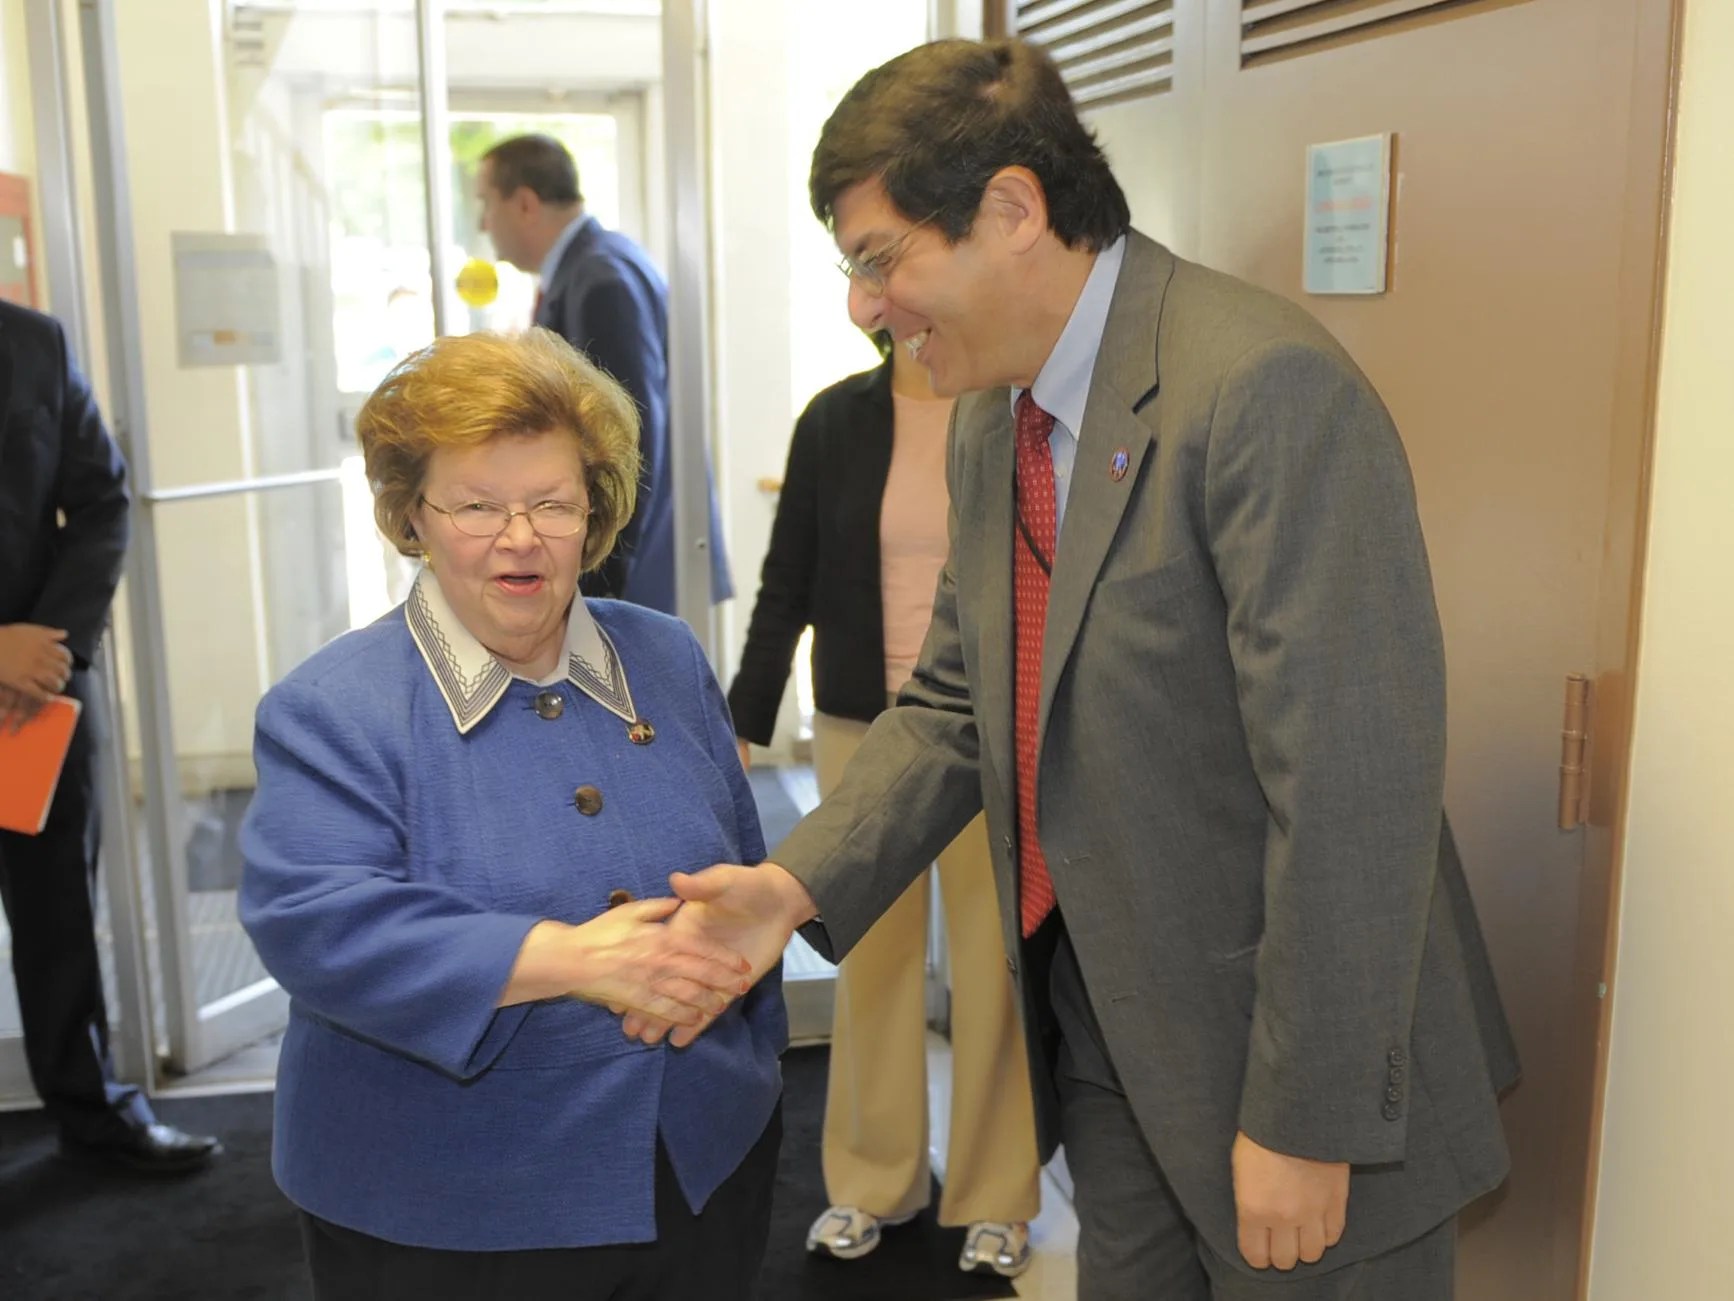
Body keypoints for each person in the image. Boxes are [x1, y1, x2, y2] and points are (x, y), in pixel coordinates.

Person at [646, 37, 1521, 1301]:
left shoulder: (1261, 389)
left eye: (880, 260)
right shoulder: (996, 412)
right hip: (1106, 1028)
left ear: (1011, 208)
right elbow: (958, 697)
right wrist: (789, 888)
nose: (863, 306)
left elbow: (1350, 787)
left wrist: (1307, 1116)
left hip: (1287, 1064)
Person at [237, 329, 786, 1300]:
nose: (520, 536)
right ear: (414, 513)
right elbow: (315, 923)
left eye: (552, 503)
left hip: (700, 1162)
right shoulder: (334, 704)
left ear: (596, 509)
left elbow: (742, 862)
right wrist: (573, 958)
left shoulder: (664, 655)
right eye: (477, 505)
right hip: (451, 1205)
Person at [728, 332, 1041, 1278]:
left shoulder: (1017, 411)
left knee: (996, 965)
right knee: (867, 956)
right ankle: (872, 1180)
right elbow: (786, 581)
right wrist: (744, 716)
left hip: (991, 727)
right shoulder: (835, 420)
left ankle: (996, 1197)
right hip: (863, 725)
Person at [0, 300, 220, 1176]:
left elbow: (101, 499)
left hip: (36, 698)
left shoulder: (33, 341)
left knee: (56, 915)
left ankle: (92, 1116)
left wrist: (46, 645)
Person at [475, 133, 732, 616]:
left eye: (486, 204)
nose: (482, 223)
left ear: (526, 203)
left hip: (635, 567)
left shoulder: (601, 277)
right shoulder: (590, 268)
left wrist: (600, 572)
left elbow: (627, 437)